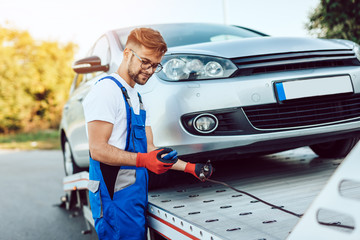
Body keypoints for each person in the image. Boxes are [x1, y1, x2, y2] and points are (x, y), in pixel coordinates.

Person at [82, 27, 213, 240]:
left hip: (134, 196)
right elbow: (97, 149)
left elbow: (149, 149)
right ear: (127, 54)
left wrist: (189, 167)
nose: (150, 70)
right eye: (145, 62)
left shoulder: (138, 98)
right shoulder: (106, 90)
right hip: (113, 197)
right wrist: (144, 160)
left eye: (155, 65)